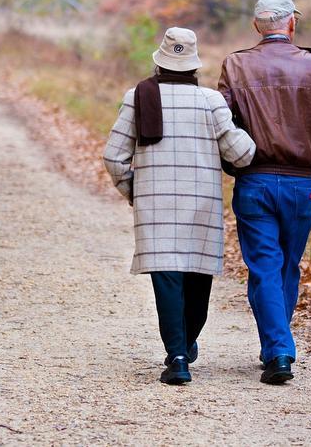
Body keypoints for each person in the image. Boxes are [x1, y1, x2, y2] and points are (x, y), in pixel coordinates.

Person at [218, 0, 311, 385]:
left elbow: (220, 122)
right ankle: (278, 346)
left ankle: (277, 347)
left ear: (256, 26)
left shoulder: (235, 65)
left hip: (255, 181)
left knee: (265, 266)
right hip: (302, 187)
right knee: (285, 266)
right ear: (292, 23)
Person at [103, 27, 256, 385]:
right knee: (197, 280)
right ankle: (184, 345)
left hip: (155, 208)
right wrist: (248, 131)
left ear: (159, 62)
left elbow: (113, 157)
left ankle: (178, 357)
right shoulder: (211, 101)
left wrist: (135, 191)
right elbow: (242, 155)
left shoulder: (138, 97)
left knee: (167, 279)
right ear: (194, 66)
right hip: (201, 205)